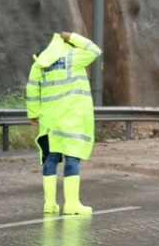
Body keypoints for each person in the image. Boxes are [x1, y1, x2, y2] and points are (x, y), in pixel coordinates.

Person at [26, 31, 102, 215]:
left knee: (51, 158)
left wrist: (33, 114)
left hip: (49, 118)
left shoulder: (40, 63)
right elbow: (94, 50)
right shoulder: (72, 56)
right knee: (72, 157)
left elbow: (32, 89)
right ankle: (72, 204)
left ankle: (50, 204)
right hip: (71, 117)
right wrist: (74, 37)